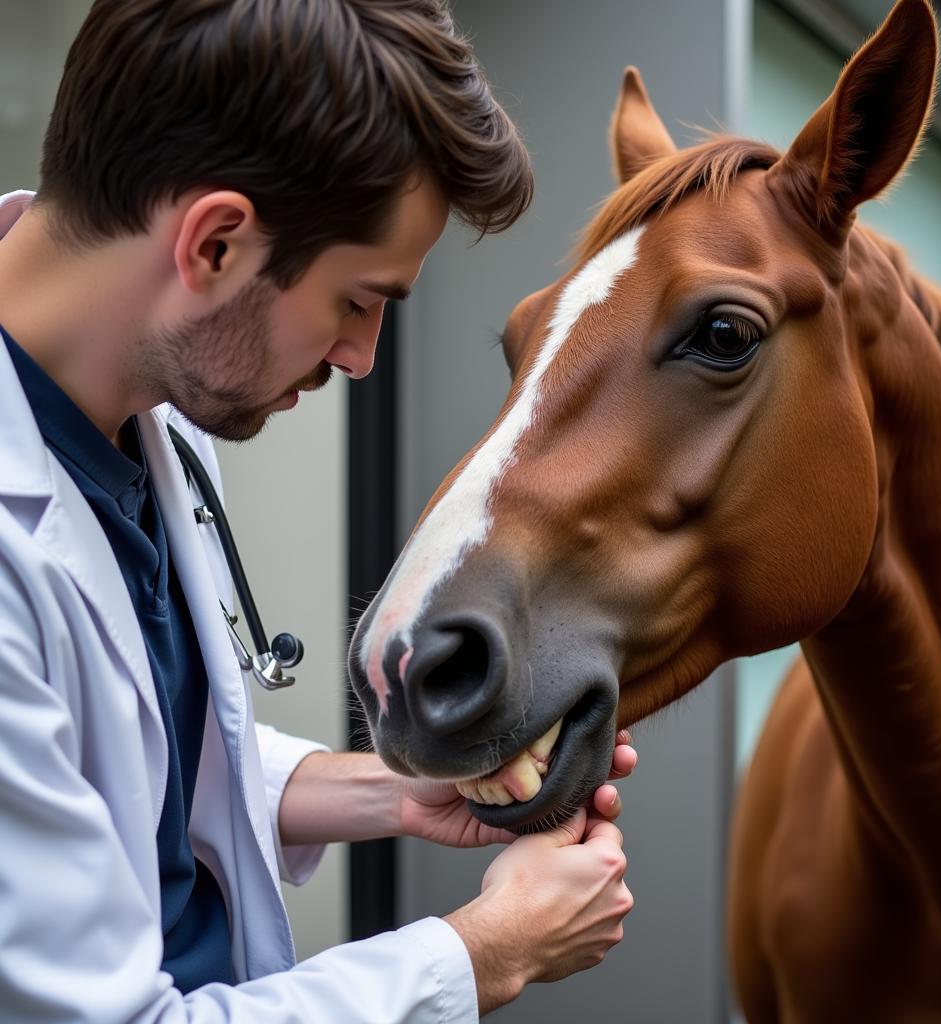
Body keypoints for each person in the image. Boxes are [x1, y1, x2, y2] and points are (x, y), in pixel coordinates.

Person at [0, 1, 637, 1021]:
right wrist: (481, 953)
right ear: (213, 244)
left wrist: (395, 793)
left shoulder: (152, 420)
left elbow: (121, 765)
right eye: (358, 299)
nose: (359, 357)